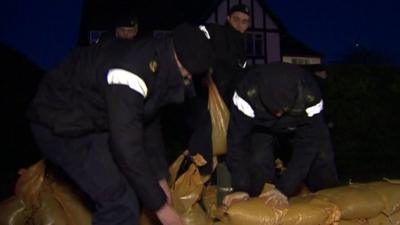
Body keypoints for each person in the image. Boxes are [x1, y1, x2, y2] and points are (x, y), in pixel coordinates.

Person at [27, 24, 215, 225]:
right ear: (180, 60)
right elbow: (126, 145)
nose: (188, 79)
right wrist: (160, 207)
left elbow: (148, 124)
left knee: (132, 189)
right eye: (189, 74)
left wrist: (160, 177)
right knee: (120, 202)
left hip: (93, 120)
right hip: (60, 120)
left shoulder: (160, 60)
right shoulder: (133, 70)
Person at [224, 62, 338, 206]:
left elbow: (309, 143)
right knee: (259, 159)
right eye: (274, 109)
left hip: (299, 125)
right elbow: (237, 142)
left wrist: (285, 188)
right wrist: (240, 187)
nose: (278, 114)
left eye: (282, 109)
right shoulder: (246, 92)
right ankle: (261, 206)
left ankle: (330, 205)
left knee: (323, 157)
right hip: (261, 126)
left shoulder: (310, 93)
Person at [186, 4, 250, 174]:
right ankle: (197, 180)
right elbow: (195, 37)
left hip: (228, 102)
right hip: (206, 96)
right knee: (203, 142)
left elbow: (239, 75)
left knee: (227, 143)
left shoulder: (242, 47)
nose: (239, 24)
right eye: (236, 19)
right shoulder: (215, 31)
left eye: (244, 22)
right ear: (228, 19)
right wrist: (203, 70)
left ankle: (219, 181)